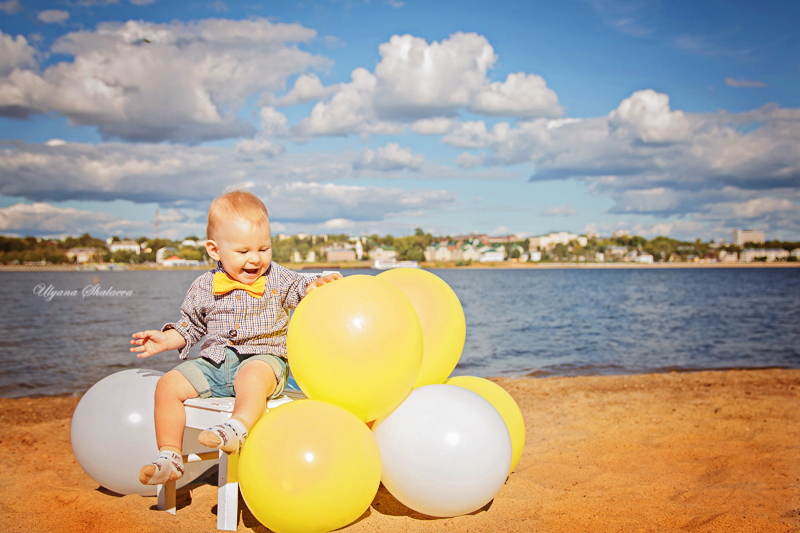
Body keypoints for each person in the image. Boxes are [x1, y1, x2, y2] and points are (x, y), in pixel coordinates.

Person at [130, 191, 341, 485]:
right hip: (215, 365)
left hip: (264, 360)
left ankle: (236, 428)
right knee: (167, 385)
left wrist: (315, 285)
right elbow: (191, 326)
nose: (255, 258)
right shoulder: (203, 286)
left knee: (251, 377)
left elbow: (300, 287)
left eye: (264, 248)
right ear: (215, 250)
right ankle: (170, 456)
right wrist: (166, 339)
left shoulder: (277, 277)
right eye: (243, 251)